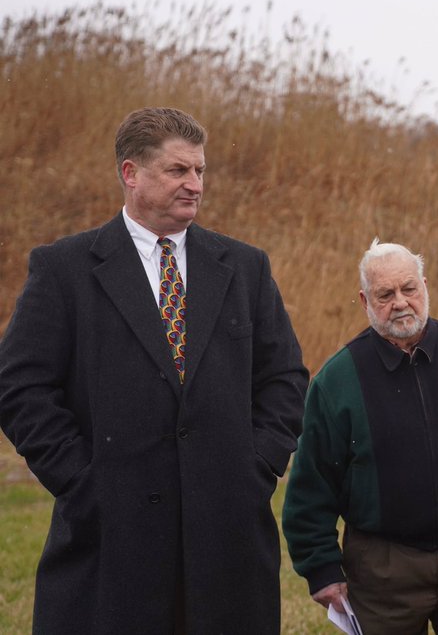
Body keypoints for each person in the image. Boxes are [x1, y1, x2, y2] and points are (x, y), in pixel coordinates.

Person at [0, 107, 308, 633]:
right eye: (178, 171)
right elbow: (20, 387)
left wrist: (254, 469)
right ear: (131, 173)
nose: (195, 184)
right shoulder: (64, 269)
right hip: (110, 545)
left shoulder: (244, 268)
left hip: (225, 543)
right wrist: (81, 480)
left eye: (201, 171)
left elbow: (284, 379)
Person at [283, 240, 438, 634]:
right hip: (382, 569)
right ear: (364, 300)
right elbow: (312, 483)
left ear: (425, 286)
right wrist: (320, 567)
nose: (401, 303)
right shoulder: (338, 380)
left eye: (409, 289)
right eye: (385, 294)